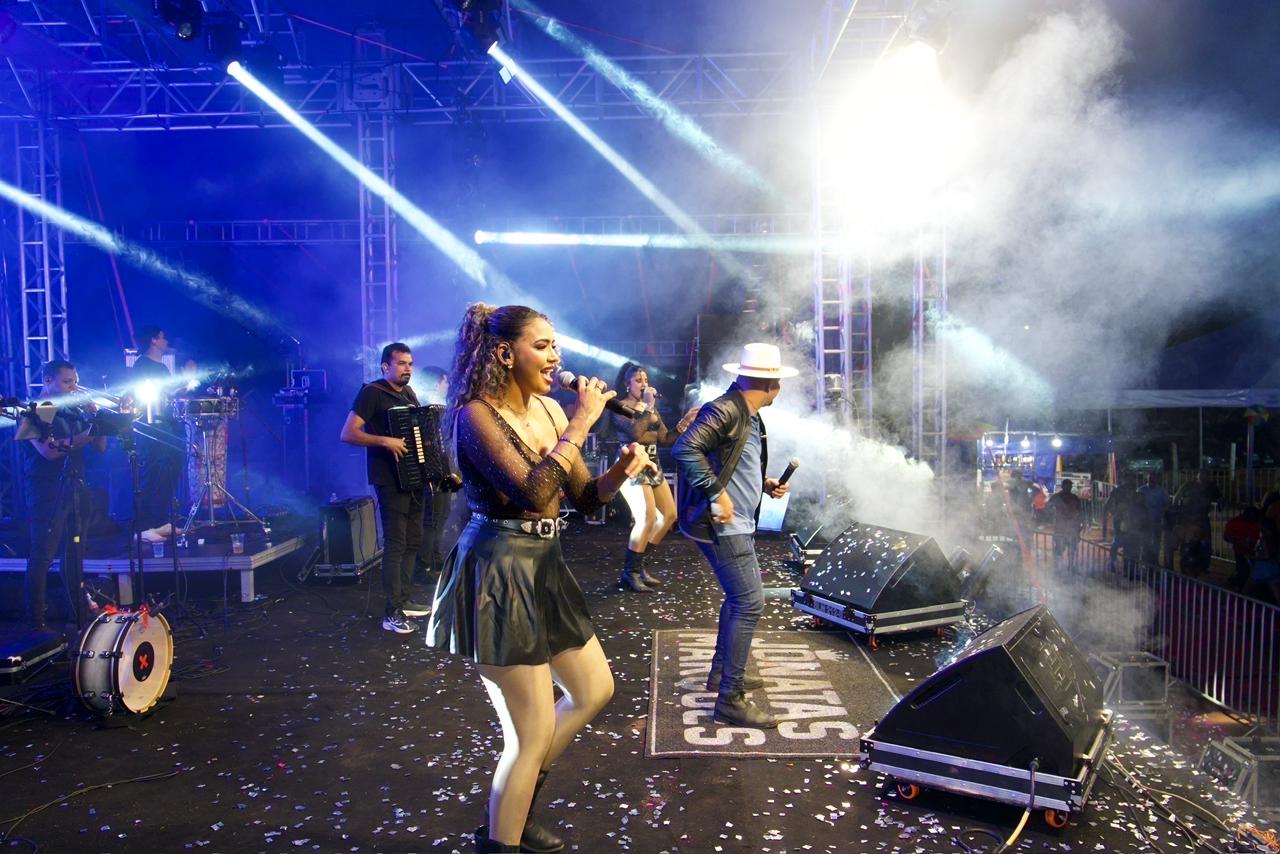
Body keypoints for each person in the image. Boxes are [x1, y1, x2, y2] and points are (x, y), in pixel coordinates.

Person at [426, 304, 651, 854]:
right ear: (506, 353)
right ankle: (501, 836)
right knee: (529, 736)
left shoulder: (550, 410)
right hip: (499, 569)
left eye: (557, 345)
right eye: (544, 345)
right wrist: (582, 422)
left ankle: (514, 804)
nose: (557, 357)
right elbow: (531, 491)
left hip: (544, 564)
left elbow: (582, 497)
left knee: (594, 690)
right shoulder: (475, 416)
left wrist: (619, 472)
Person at [673, 342, 795, 729]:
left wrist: (764, 483)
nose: (780, 388)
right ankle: (730, 698)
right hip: (726, 525)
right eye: (778, 382)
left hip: (735, 521)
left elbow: (731, 461)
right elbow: (685, 449)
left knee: (740, 598)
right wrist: (716, 493)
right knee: (749, 601)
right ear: (771, 384)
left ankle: (721, 673)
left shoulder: (747, 413)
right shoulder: (726, 409)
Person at [340, 343, 432, 634]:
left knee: (413, 541)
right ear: (385, 366)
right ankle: (391, 613)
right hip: (388, 479)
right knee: (396, 543)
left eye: (410, 364)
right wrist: (384, 441)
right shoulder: (372, 393)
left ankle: (403, 600)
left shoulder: (408, 393)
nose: (408, 369)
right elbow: (348, 433)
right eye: (402, 363)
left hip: (412, 478)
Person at [22, 359, 106, 631]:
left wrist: (97, 420)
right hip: (46, 490)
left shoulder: (74, 411)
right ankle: (35, 621)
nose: (74, 387)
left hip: (75, 487)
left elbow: (101, 448)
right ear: (48, 380)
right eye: (68, 382)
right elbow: (48, 452)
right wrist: (86, 435)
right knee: (43, 555)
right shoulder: (37, 410)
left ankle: (78, 614)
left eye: (75, 381)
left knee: (74, 554)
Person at [610, 362, 697, 592]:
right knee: (647, 517)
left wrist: (685, 422)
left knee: (669, 515)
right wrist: (649, 406)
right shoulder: (620, 407)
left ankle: (640, 566)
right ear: (627, 384)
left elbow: (666, 439)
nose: (644, 384)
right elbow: (635, 432)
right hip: (631, 463)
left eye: (646, 380)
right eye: (638, 380)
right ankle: (630, 573)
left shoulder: (650, 409)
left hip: (652, 464)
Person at [130, 325, 183, 538]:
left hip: (165, 424)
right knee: (152, 473)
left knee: (169, 469)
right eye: (162, 337)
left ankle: (161, 520)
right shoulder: (142, 365)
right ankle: (144, 527)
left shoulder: (162, 367)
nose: (166, 340)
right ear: (153, 340)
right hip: (150, 426)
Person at [414, 366, 463, 583]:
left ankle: (434, 561)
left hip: (444, 471)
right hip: (433, 473)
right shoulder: (425, 408)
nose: (448, 385)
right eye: (445, 381)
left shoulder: (440, 407)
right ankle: (423, 566)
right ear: (436, 383)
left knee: (440, 517)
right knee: (433, 518)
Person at [1172, 469, 1220, 576]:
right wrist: (1176, 510)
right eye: (1201, 474)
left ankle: (1203, 566)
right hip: (1187, 517)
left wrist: (1221, 502)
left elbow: (1220, 498)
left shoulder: (1212, 487)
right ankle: (1185, 565)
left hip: (1202, 517)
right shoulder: (1189, 484)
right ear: (1197, 475)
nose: (1203, 476)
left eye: (1206, 474)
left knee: (1205, 542)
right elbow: (1177, 496)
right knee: (1187, 542)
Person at [1046, 478, 1083, 573]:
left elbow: (1080, 512)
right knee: (1059, 549)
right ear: (1062, 487)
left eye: (1069, 486)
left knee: (1071, 549)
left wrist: (1079, 526)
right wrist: (1053, 516)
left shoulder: (1074, 498)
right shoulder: (1056, 497)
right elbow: (1047, 508)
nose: (1068, 488)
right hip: (1060, 527)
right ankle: (1058, 567)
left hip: (1071, 528)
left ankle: (1070, 566)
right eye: (1067, 486)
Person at [1223, 505, 1262, 592]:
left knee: (1255, 572)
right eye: (1249, 518)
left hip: (1255, 552)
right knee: (1243, 571)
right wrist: (1238, 541)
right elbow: (1226, 536)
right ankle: (1241, 589)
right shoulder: (1235, 522)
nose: (1251, 521)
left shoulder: (1257, 523)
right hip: (1240, 552)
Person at [1138, 473, 1171, 567]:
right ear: (1147, 479)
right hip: (1145, 521)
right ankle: (1144, 561)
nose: (1152, 480)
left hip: (1157, 520)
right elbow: (1137, 503)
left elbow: (1167, 504)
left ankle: (1155, 561)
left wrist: (1162, 511)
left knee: (1156, 542)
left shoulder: (1161, 491)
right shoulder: (1141, 490)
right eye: (1150, 479)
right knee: (1145, 541)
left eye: (1153, 479)